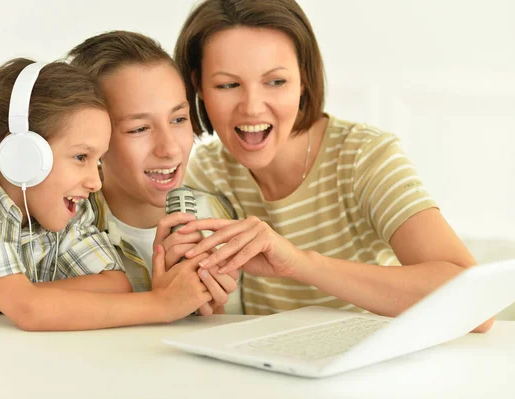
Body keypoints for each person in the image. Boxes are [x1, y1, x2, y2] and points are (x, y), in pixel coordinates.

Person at [171, 0, 493, 331]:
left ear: (303, 80)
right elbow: (216, 321)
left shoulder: (363, 156)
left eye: (276, 82)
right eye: (228, 85)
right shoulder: (207, 173)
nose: (252, 107)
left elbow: (477, 306)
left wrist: (299, 263)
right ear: (198, 87)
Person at [0, 58, 212, 330]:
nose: (96, 182)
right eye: (81, 157)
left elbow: (114, 284)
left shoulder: (67, 212)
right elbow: (31, 312)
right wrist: (162, 303)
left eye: (98, 161)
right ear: (23, 155)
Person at [68, 31, 242, 315]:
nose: (170, 148)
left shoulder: (221, 216)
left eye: (178, 119)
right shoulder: (64, 236)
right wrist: (162, 304)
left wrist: (207, 307)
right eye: (139, 129)